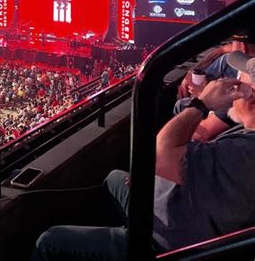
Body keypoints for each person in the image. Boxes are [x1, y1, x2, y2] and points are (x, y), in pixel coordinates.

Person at [32, 73, 254, 260]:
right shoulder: (244, 139)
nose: (233, 87)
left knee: (49, 240)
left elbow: (163, 153)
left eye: (238, 83)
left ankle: (128, 243)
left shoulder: (245, 152)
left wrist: (201, 104)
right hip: (182, 211)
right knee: (114, 179)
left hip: (166, 242)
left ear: (251, 96)